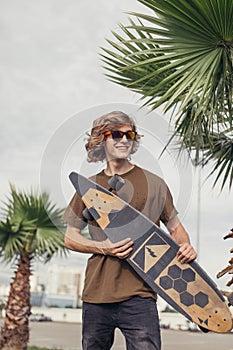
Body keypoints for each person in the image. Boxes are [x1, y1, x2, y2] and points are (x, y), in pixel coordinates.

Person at [63, 111, 197, 350]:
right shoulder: (88, 187)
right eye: (116, 134)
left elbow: (176, 230)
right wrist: (102, 247)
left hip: (141, 293)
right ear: (101, 140)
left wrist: (185, 246)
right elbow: (70, 237)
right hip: (96, 294)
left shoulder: (154, 183)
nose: (124, 140)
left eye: (130, 134)